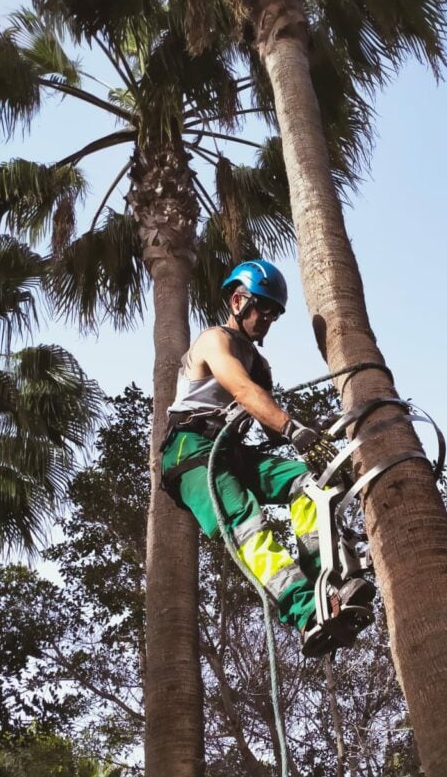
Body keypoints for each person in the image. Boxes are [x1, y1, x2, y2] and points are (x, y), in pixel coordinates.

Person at [160, 259, 374, 657]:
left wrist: (319, 431)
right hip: (191, 452)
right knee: (247, 525)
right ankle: (305, 610)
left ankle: (325, 585)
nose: (267, 319)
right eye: (262, 308)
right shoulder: (214, 341)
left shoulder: (260, 364)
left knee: (314, 481)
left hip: (233, 452)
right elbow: (242, 391)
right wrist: (294, 430)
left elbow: (272, 421)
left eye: (274, 314)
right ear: (238, 300)